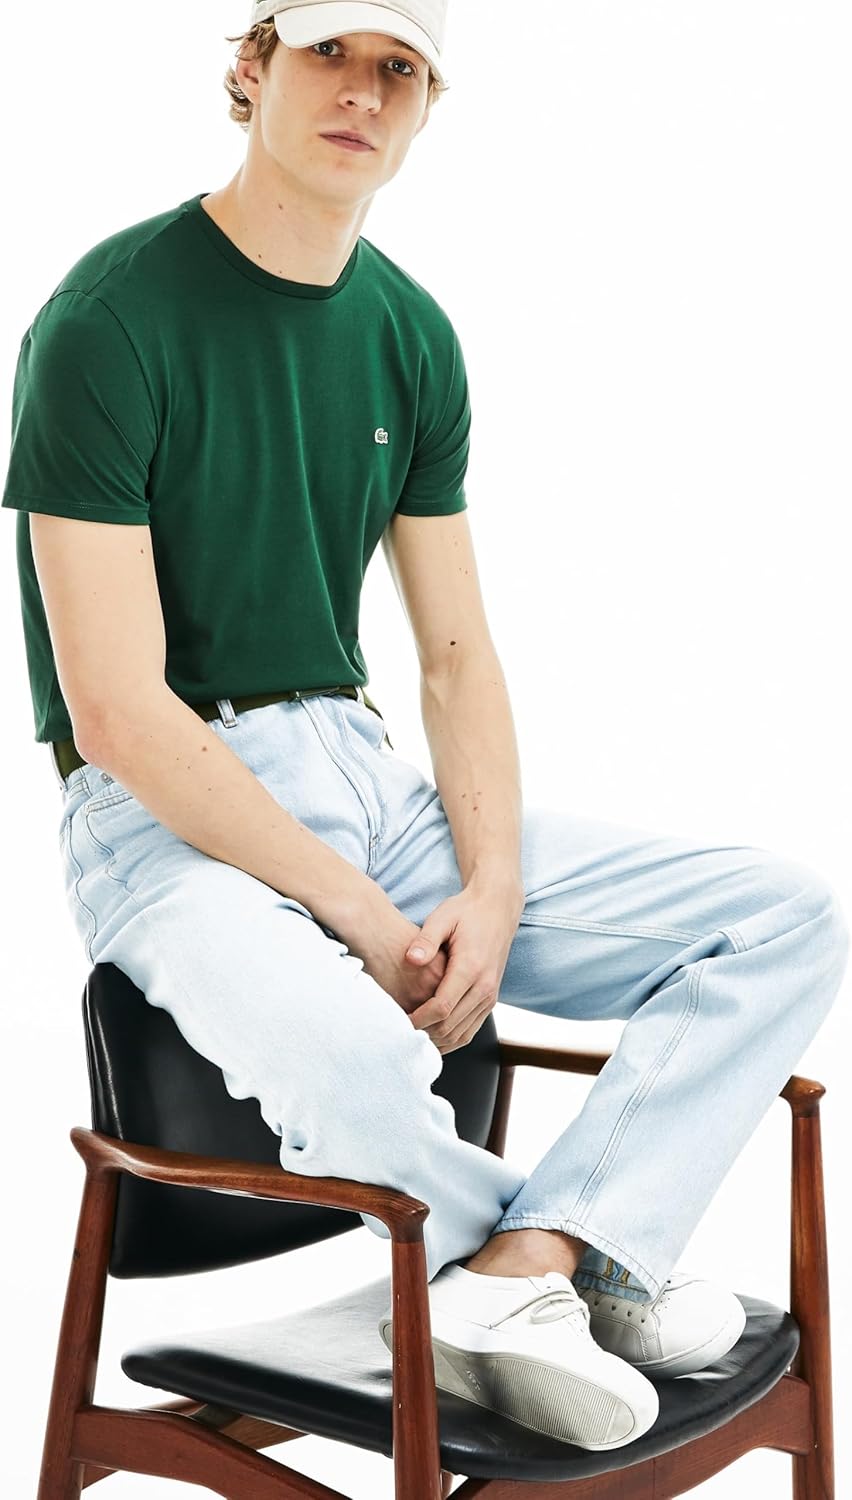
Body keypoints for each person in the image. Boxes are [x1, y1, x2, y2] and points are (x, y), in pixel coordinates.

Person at [1, 0, 848, 1455]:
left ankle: (538, 1264)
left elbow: (455, 659)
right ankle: (586, 1265)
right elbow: (120, 712)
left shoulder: (408, 331)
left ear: (429, 103)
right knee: (350, 1060)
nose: (363, 92)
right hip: (161, 819)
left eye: (400, 69)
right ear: (253, 65)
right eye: (329, 52)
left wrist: (492, 883)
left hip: (358, 771)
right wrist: (351, 908)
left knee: (781, 918)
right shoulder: (107, 320)